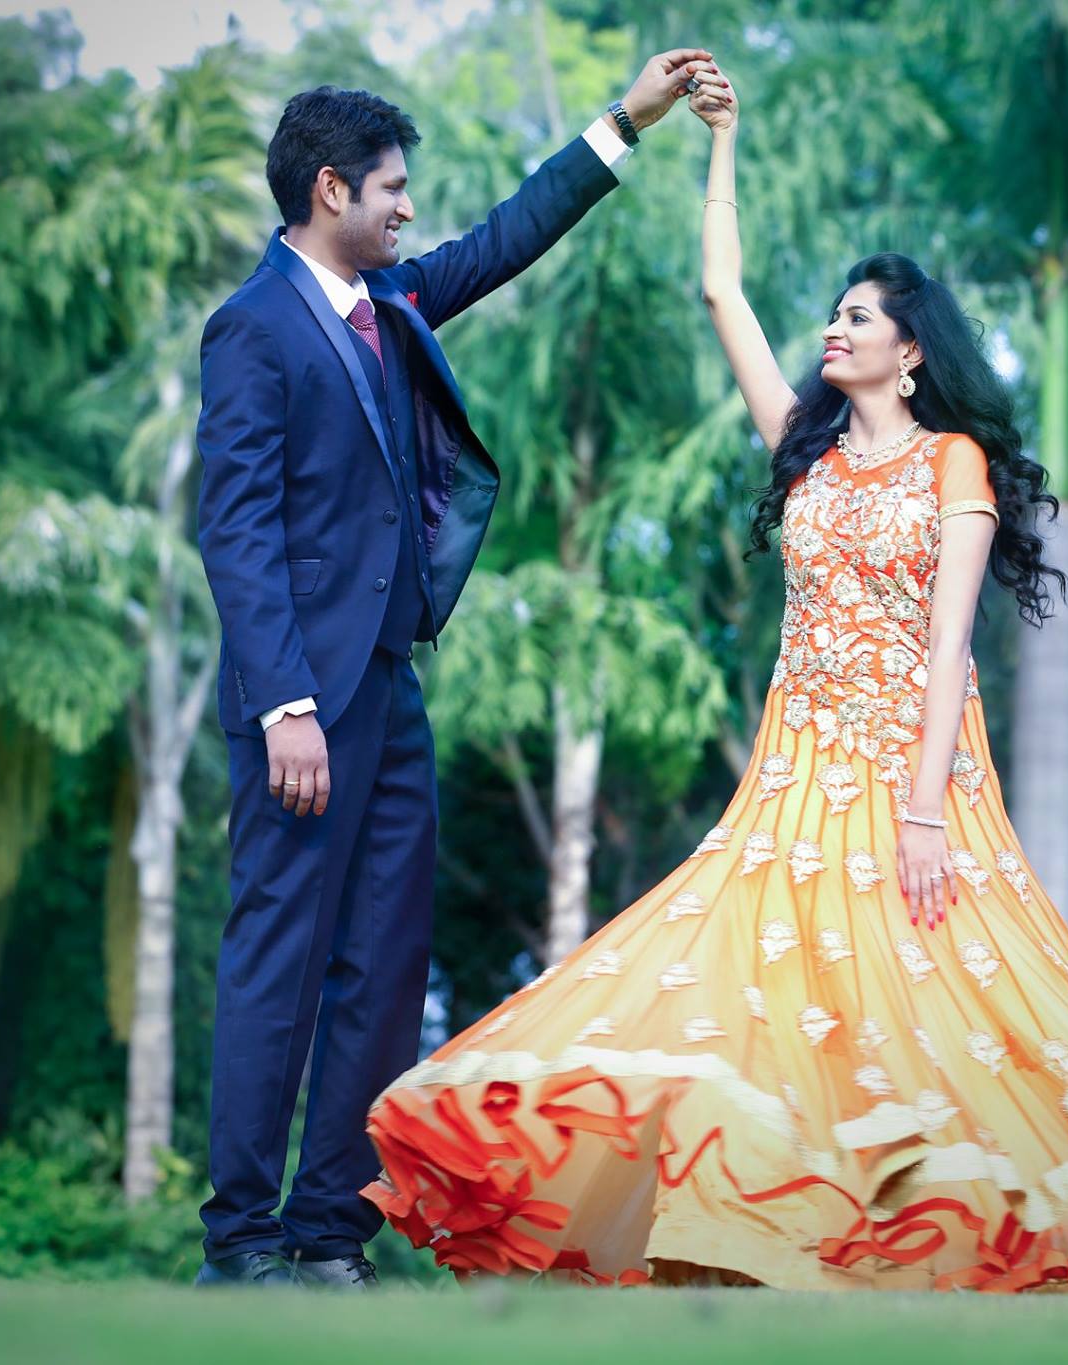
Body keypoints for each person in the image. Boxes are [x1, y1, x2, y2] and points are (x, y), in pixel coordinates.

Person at [359, 67, 1068, 1292]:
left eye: (858, 319)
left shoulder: (955, 466)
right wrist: (719, 141)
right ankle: (785, 1248)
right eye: (833, 316)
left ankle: (1010, 1234)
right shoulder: (802, 452)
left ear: (909, 352)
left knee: (944, 999)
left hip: (910, 773)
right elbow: (721, 288)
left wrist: (924, 813)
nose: (835, 329)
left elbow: (946, 652)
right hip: (794, 769)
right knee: (774, 1001)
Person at [191, 52, 729, 1290]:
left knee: (385, 963)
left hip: (392, 695)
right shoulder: (254, 329)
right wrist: (285, 705)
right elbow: (238, 530)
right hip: (298, 712)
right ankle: (240, 1243)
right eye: (390, 189)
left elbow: (505, 238)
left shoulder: (393, 309)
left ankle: (332, 1232)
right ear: (330, 191)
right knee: (279, 964)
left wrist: (625, 124)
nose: (408, 209)